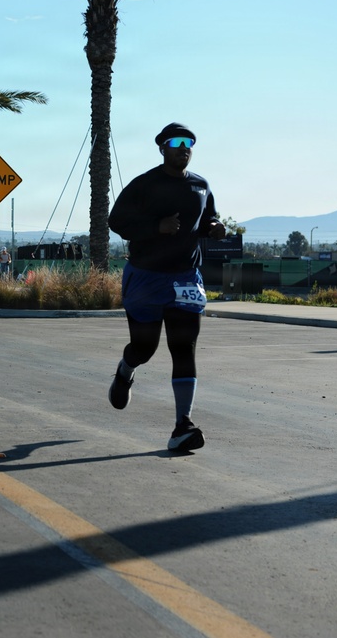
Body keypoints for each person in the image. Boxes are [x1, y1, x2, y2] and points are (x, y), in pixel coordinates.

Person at [106, 122, 227, 452]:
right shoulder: (145, 184)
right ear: (162, 148)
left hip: (186, 278)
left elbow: (205, 220)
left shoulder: (201, 186)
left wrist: (214, 228)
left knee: (183, 347)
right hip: (146, 275)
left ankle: (182, 425)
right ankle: (125, 370)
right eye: (175, 142)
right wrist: (156, 227)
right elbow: (116, 222)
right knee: (144, 348)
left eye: (189, 142)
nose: (183, 147)